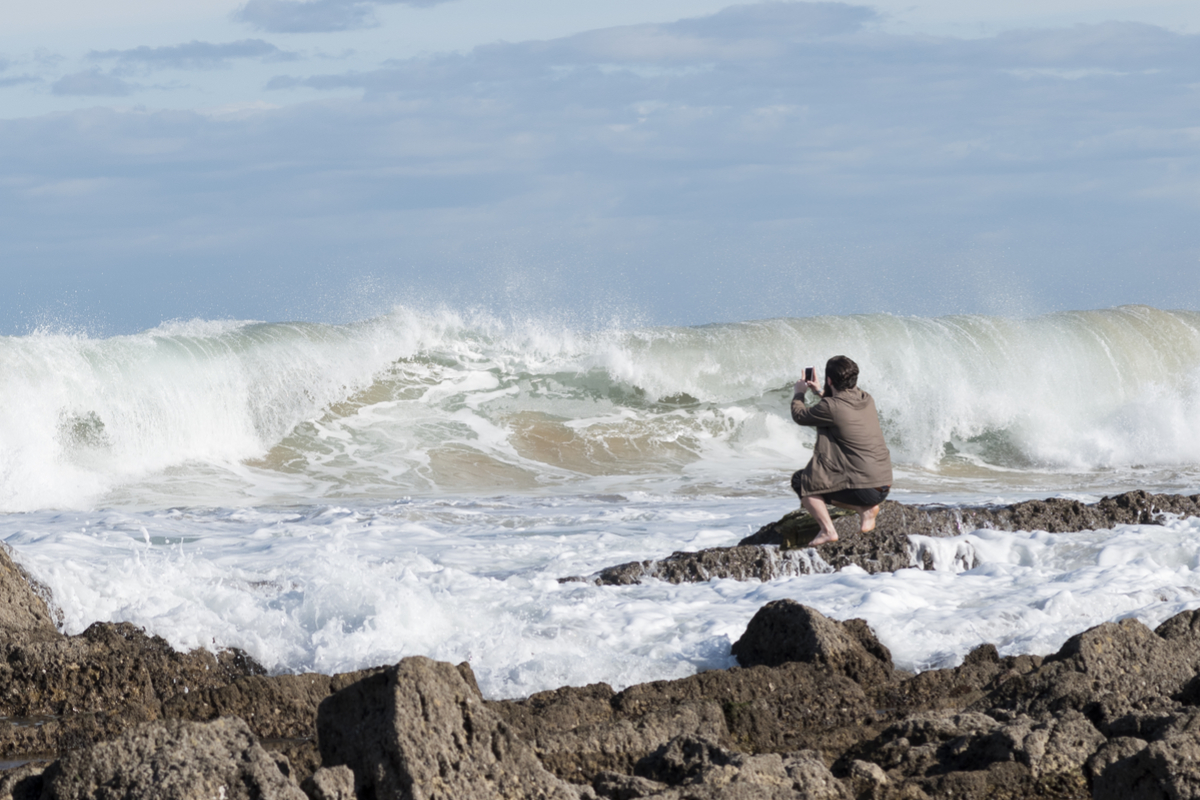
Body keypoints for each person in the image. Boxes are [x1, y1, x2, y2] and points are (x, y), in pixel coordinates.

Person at [791, 355, 892, 546]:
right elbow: (840, 406)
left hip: (864, 489)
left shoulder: (830, 406)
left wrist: (799, 393)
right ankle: (866, 510)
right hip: (882, 485)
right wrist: (819, 390)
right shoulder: (866, 398)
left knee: (802, 481)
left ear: (830, 380)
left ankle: (828, 531)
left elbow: (800, 415)